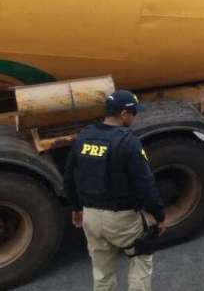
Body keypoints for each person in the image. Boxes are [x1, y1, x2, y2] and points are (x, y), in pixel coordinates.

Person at [64, 90, 165, 291]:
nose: (135, 117)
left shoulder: (84, 137)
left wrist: (76, 207)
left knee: (102, 274)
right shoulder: (128, 142)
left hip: (90, 217)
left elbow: (69, 177)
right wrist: (159, 216)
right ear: (124, 114)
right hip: (122, 219)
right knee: (140, 260)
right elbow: (146, 184)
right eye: (134, 113)